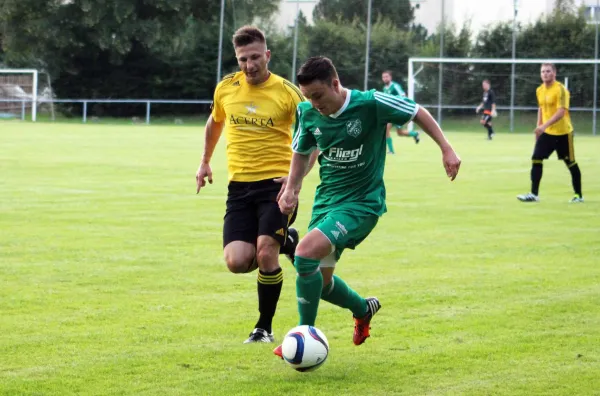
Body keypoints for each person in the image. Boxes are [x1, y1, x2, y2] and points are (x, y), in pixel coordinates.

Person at [273, 56, 461, 358]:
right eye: (308, 96)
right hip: (327, 200)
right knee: (320, 283)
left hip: (362, 203)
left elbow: (417, 112)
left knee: (304, 254)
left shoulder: (371, 103)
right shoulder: (306, 112)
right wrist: (292, 189)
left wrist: (446, 148)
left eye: (318, 95)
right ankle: (363, 309)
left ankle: (303, 335)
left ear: (336, 84)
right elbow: (302, 152)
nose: (314, 102)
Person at [195, 25, 317, 344]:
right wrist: (205, 161)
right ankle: (288, 241)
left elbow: (314, 135)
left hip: (276, 187)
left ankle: (263, 327)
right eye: (242, 59)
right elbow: (215, 121)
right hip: (239, 188)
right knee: (237, 262)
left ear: (267, 55)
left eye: (254, 58)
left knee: (265, 253)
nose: (249, 65)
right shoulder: (226, 89)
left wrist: (296, 180)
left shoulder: (288, 93)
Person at [517, 63, 583, 203]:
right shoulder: (539, 90)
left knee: (570, 162)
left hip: (564, 133)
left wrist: (544, 126)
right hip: (547, 132)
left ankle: (578, 195)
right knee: (536, 158)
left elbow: (561, 112)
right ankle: (534, 194)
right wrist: (539, 127)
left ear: (554, 73)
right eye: (543, 71)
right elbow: (541, 109)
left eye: (548, 71)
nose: (545, 74)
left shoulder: (561, 90)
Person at [381, 70, 420, 154]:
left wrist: (400, 107)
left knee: (387, 129)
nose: (385, 78)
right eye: (383, 77)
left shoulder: (395, 86)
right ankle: (415, 134)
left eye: (386, 76)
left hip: (397, 112)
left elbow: (403, 95)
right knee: (400, 133)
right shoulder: (384, 88)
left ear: (390, 77)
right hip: (390, 113)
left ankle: (391, 151)